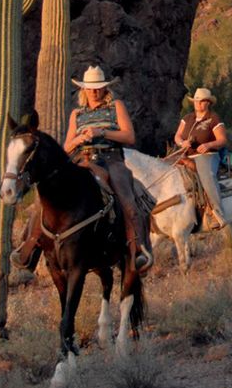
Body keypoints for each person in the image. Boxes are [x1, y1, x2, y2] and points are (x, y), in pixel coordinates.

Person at [10, 65, 153, 275]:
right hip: (81, 159)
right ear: (84, 90)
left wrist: (101, 132)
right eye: (90, 88)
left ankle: (137, 249)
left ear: (105, 88)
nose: (94, 91)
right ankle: (29, 247)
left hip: (111, 160)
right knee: (46, 196)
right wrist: (80, 138)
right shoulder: (77, 114)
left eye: (98, 87)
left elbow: (129, 137)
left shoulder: (116, 106)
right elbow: (66, 146)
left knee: (126, 197)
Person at [174, 88, 230, 229]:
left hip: (207, 155)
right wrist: (182, 143)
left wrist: (208, 144)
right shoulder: (187, 118)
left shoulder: (213, 118)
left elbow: (222, 140)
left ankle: (218, 212)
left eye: (203, 101)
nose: (199, 103)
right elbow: (177, 136)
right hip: (187, 154)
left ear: (208, 103)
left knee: (206, 175)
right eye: (197, 101)